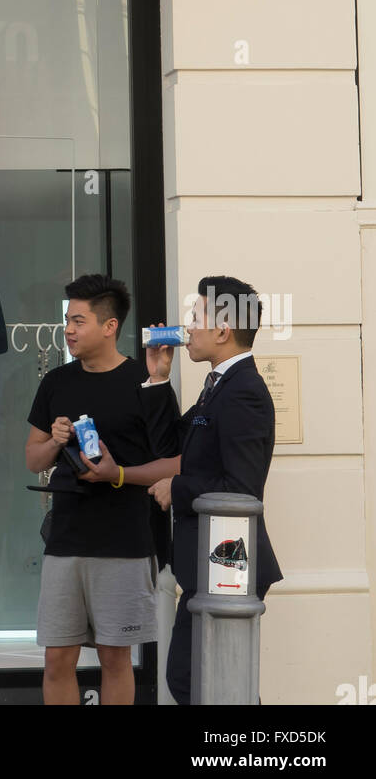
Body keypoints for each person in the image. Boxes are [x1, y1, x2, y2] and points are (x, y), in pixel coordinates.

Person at [25, 274, 181, 705]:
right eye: (67, 321)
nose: (68, 330)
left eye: (78, 320)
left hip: (125, 540)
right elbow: (32, 459)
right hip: (66, 539)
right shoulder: (56, 382)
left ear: (109, 326)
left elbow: (175, 462)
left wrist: (117, 474)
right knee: (57, 658)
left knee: (116, 658)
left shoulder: (145, 380)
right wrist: (54, 441)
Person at [147, 275, 282, 705]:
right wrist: (158, 380)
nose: (188, 326)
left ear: (223, 331)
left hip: (227, 568)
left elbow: (240, 489)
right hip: (210, 568)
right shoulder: (219, 387)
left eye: (196, 316)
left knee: (211, 683)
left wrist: (178, 487)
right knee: (209, 683)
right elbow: (173, 442)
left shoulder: (243, 393)